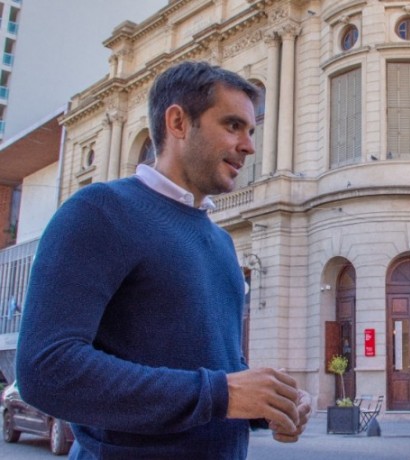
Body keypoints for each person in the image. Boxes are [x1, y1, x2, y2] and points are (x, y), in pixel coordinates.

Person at [16, 61, 311, 459]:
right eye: (232, 126)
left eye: (251, 130)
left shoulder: (221, 242)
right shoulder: (100, 211)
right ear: (178, 122)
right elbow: (46, 370)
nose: (249, 145)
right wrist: (222, 394)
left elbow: (215, 374)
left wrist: (266, 406)